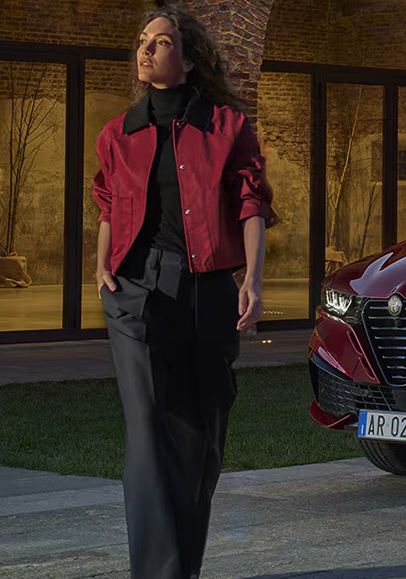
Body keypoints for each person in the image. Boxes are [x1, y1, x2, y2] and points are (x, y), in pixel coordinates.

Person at [91, 5, 277, 578]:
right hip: (136, 289)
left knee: (200, 437)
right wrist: (101, 267)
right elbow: (106, 204)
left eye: (162, 41)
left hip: (207, 292)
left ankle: (181, 568)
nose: (146, 50)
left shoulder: (226, 128)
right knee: (148, 430)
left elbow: (252, 206)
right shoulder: (118, 134)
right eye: (143, 41)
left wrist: (253, 279)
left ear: (189, 59)